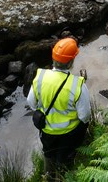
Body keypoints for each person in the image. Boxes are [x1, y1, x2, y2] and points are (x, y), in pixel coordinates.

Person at [27, 37, 90, 177]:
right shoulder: (78, 86)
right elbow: (85, 116)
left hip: (47, 131)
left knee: (48, 155)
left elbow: (31, 103)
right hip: (70, 134)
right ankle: (66, 175)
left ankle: (48, 175)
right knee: (66, 159)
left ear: (53, 57)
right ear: (71, 62)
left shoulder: (40, 77)